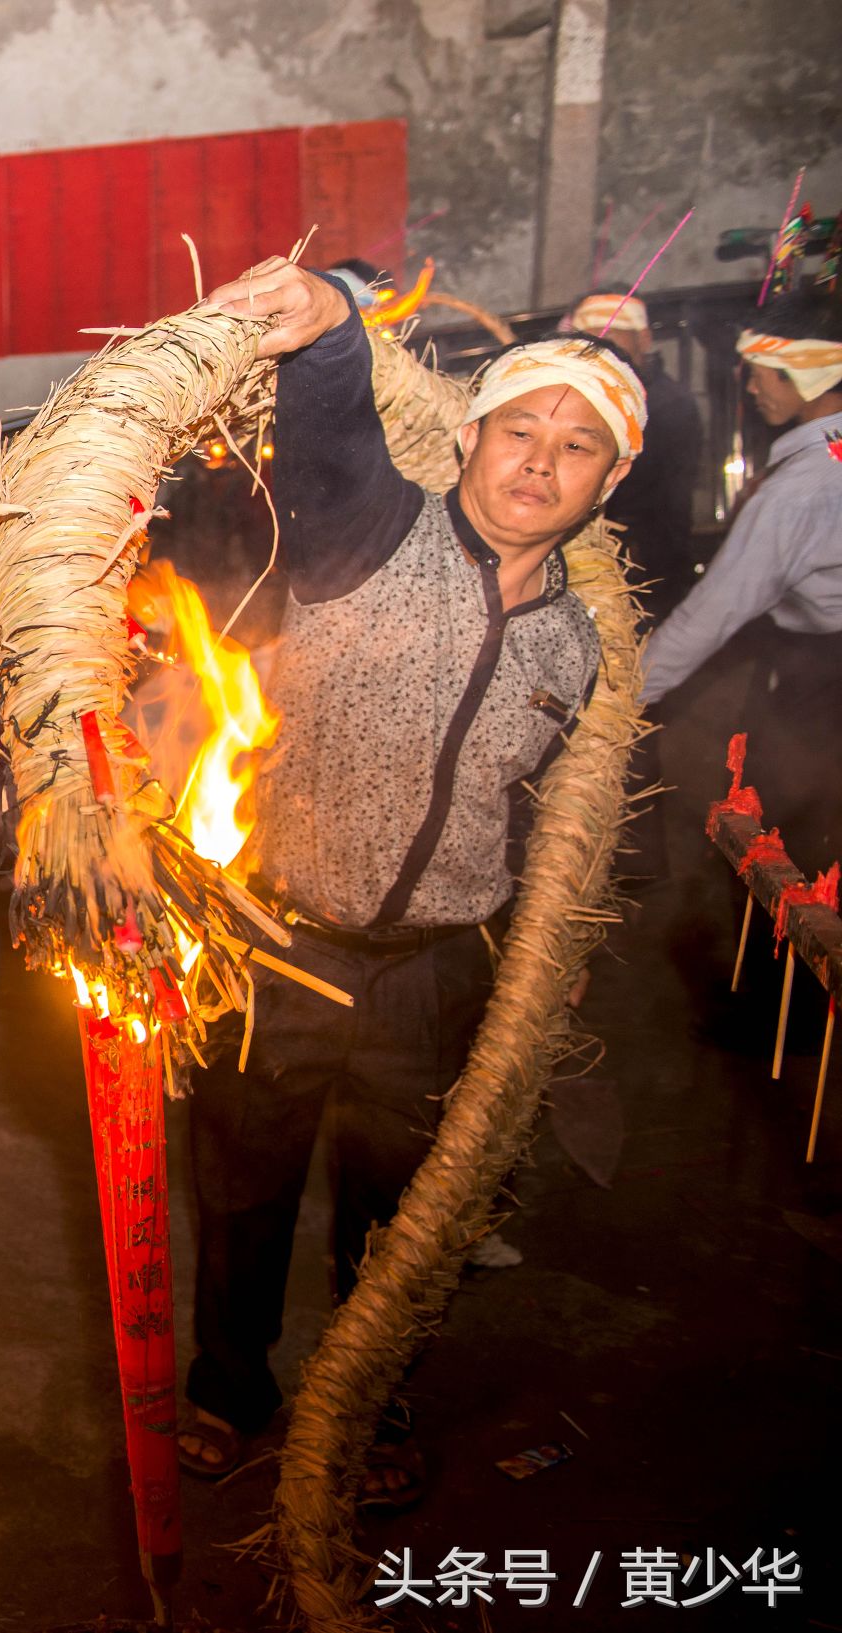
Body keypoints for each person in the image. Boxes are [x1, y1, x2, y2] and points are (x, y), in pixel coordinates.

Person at [171, 258, 646, 1509]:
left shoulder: (577, 643)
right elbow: (328, 431)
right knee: (244, 1174)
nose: (539, 465)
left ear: (610, 481)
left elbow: (547, 810)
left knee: (399, 1206)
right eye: (521, 430)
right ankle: (229, 1386)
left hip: (436, 965)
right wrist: (329, 314)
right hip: (283, 937)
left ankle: (371, 1394)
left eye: (579, 447)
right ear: (473, 438)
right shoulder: (369, 533)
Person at [639, 288, 842, 860]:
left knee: (783, 851)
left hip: (820, 689)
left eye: (759, 375)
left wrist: (619, 697)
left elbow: (712, 614)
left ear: (802, 376)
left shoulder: (797, 491)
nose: (751, 390)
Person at [563, 289, 704, 623]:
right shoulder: (588, 398)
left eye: (610, 336)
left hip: (639, 577)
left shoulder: (666, 404)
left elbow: (660, 505)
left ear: (644, 338)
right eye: (588, 338)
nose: (600, 349)